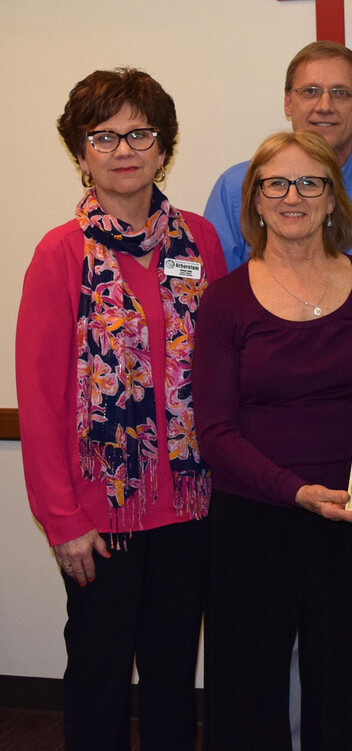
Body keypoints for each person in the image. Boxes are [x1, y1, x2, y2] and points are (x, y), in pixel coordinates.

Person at [15, 68, 227, 750]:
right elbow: (40, 396)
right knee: (99, 679)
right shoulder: (61, 252)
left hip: (191, 508)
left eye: (140, 132)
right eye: (103, 135)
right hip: (100, 517)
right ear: (80, 153)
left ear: (165, 146)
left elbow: (222, 372)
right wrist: (62, 520)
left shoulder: (199, 241)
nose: (124, 148)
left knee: (171, 681)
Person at [193, 130, 352, 749]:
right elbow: (214, 432)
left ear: (333, 198)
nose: (293, 196)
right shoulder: (226, 301)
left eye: (310, 182)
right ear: (255, 202)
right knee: (249, 693)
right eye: (276, 184)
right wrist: (298, 492)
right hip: (254, 524)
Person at [204, 41, 352, 270]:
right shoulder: (234, 187)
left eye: (341, 93)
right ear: (288, 103)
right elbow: (214, 289)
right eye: (310, 92)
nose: (325, 106)